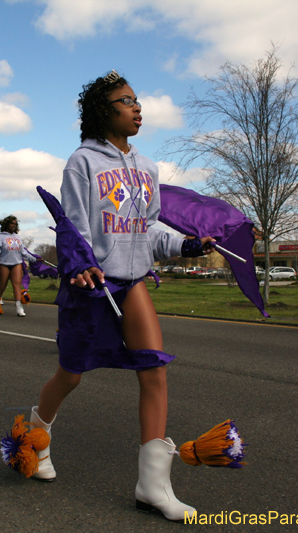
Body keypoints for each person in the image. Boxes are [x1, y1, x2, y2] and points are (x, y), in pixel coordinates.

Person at [24, 71, 214, 521]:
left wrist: (187, 244)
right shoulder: (82, 162)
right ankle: (36, 437)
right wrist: (82, 263)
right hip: (91, 285)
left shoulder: (148, 167)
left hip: (133, 283)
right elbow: (74, 225)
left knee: (154, 369)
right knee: (70, 376)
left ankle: (152, 486)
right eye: (126, 100)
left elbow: (148, 228)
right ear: (102, 111)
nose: (137, 107)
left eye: (137, 100)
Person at [0, 216, 37, 316]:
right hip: (3, 264)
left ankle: (19, 307)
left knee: (16, 285)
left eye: (15, 224)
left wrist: (34, 259)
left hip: (16, 263)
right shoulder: (0, 237)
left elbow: (23, 252)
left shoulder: (17, 237)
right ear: (6, 224)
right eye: (11, 223)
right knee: (2, 286)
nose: (13, 225)